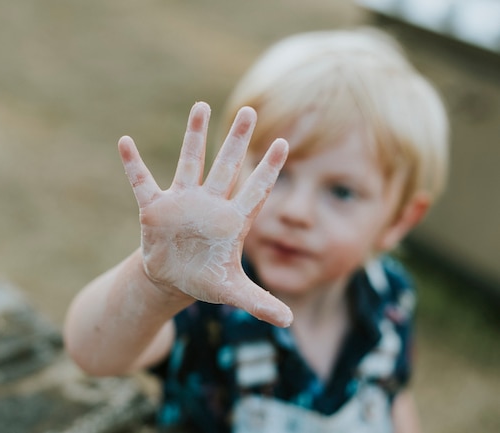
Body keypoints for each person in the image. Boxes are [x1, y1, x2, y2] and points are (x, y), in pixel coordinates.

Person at [64, 27, 449, 433]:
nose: (297, 213)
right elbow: (93, 353)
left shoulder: (392, 298)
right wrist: (156, 285)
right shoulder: (201, 298)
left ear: (398, 222)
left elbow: (392, 395)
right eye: (276, 174)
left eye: (341, 192)